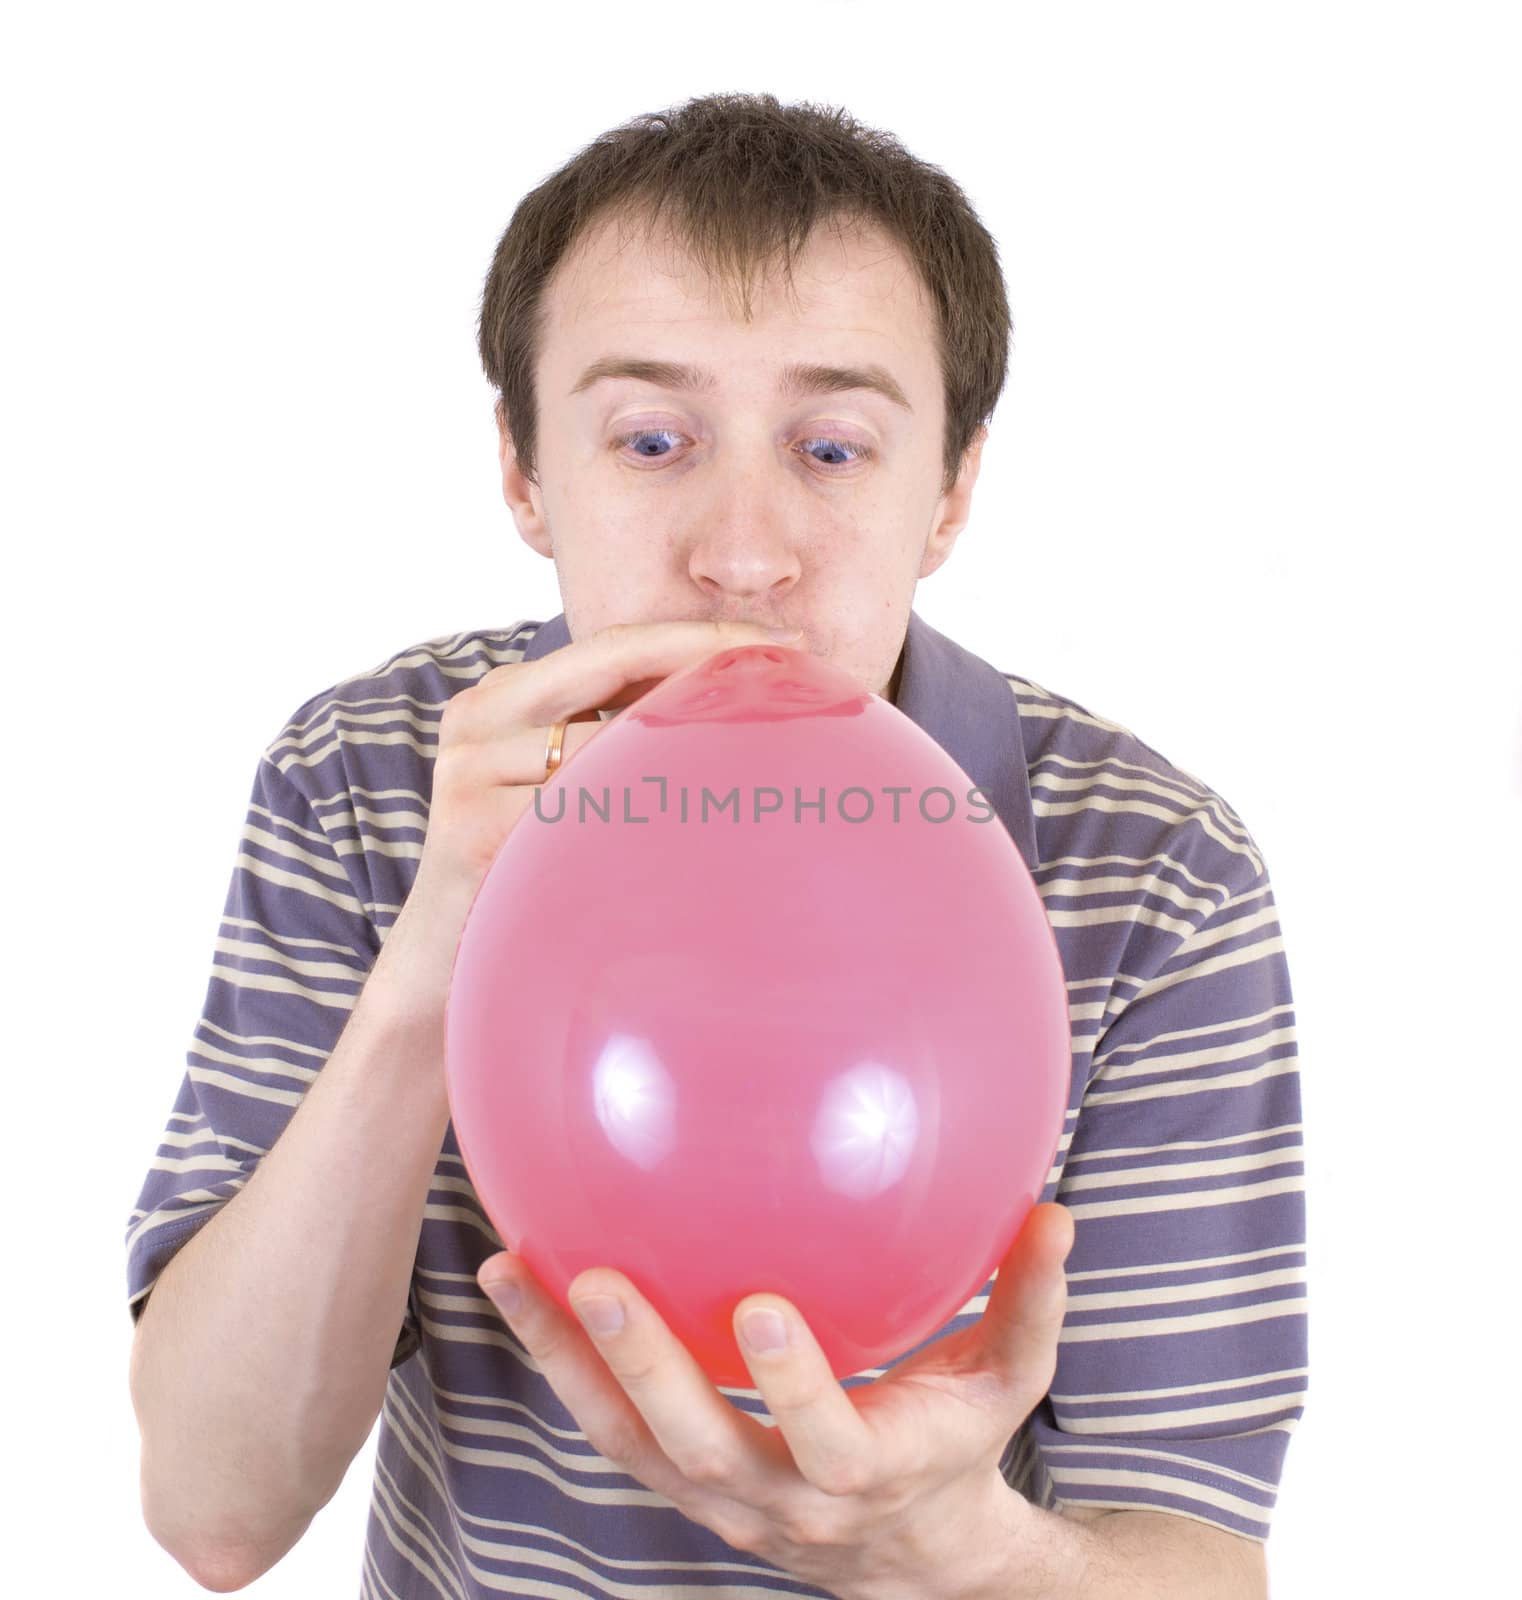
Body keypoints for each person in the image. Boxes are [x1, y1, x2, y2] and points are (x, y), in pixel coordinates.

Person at [124, 93, 1305, 1598]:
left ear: (947, 493)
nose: (741, 553)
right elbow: (216, 1511)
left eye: (831, 447)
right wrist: (434, 958)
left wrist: (942, 1545)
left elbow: (1191, 1563)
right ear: (523, 474)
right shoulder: (366, 779)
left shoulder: (1152, 876)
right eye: (652, 438)